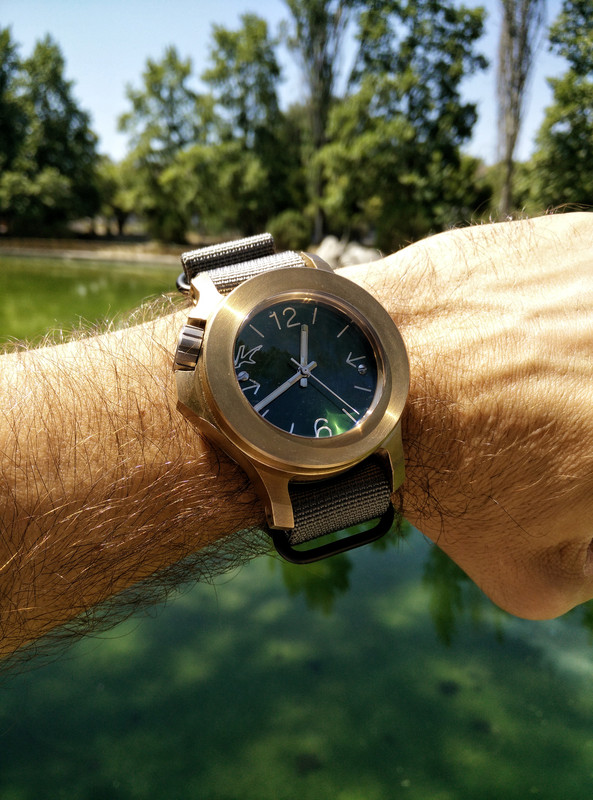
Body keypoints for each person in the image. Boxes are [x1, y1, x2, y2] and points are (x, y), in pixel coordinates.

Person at [1, 212, 592, 659]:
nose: (305, 371)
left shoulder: (313, 299)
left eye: (306, 366)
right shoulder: (200, 388)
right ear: (191, 377)